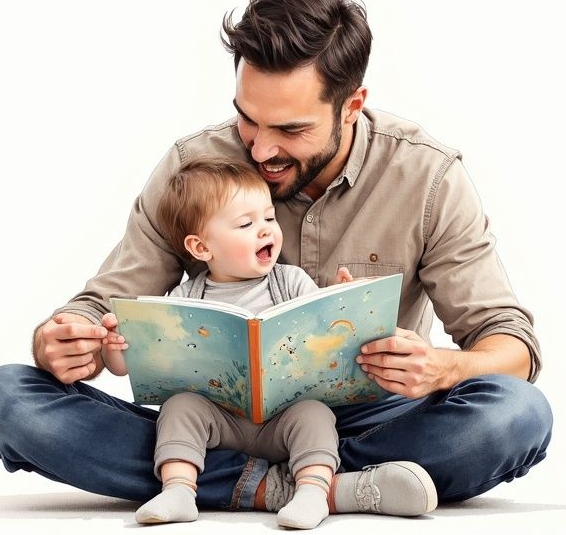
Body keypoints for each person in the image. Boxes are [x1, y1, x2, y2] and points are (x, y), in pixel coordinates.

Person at [0, 0, 552, 517]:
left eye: (291, 130)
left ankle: (233, 482)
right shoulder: (193, 167)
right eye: (247, 120)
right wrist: (68, 338)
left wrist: (443, 368)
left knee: (516, 415)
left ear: (351, 106)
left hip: (371, 421)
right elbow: (103, 304)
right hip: (208, 423)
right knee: (8, 400)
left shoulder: (426, 178)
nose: (260, 150)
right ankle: (331, 487)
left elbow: (511, 344)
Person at [98, 157, 437, 528]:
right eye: (246, 224)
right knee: (179, 408)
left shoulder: (290, 281)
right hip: (220, 423)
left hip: (283, 418)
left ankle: (312, 492)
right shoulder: (186, 299)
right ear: (201, 247)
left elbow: (330, 336)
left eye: (269, 218)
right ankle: (179, 489)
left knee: (314, 414)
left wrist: (345, 305)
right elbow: (131, 366)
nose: (265, 231)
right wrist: (116, 345)